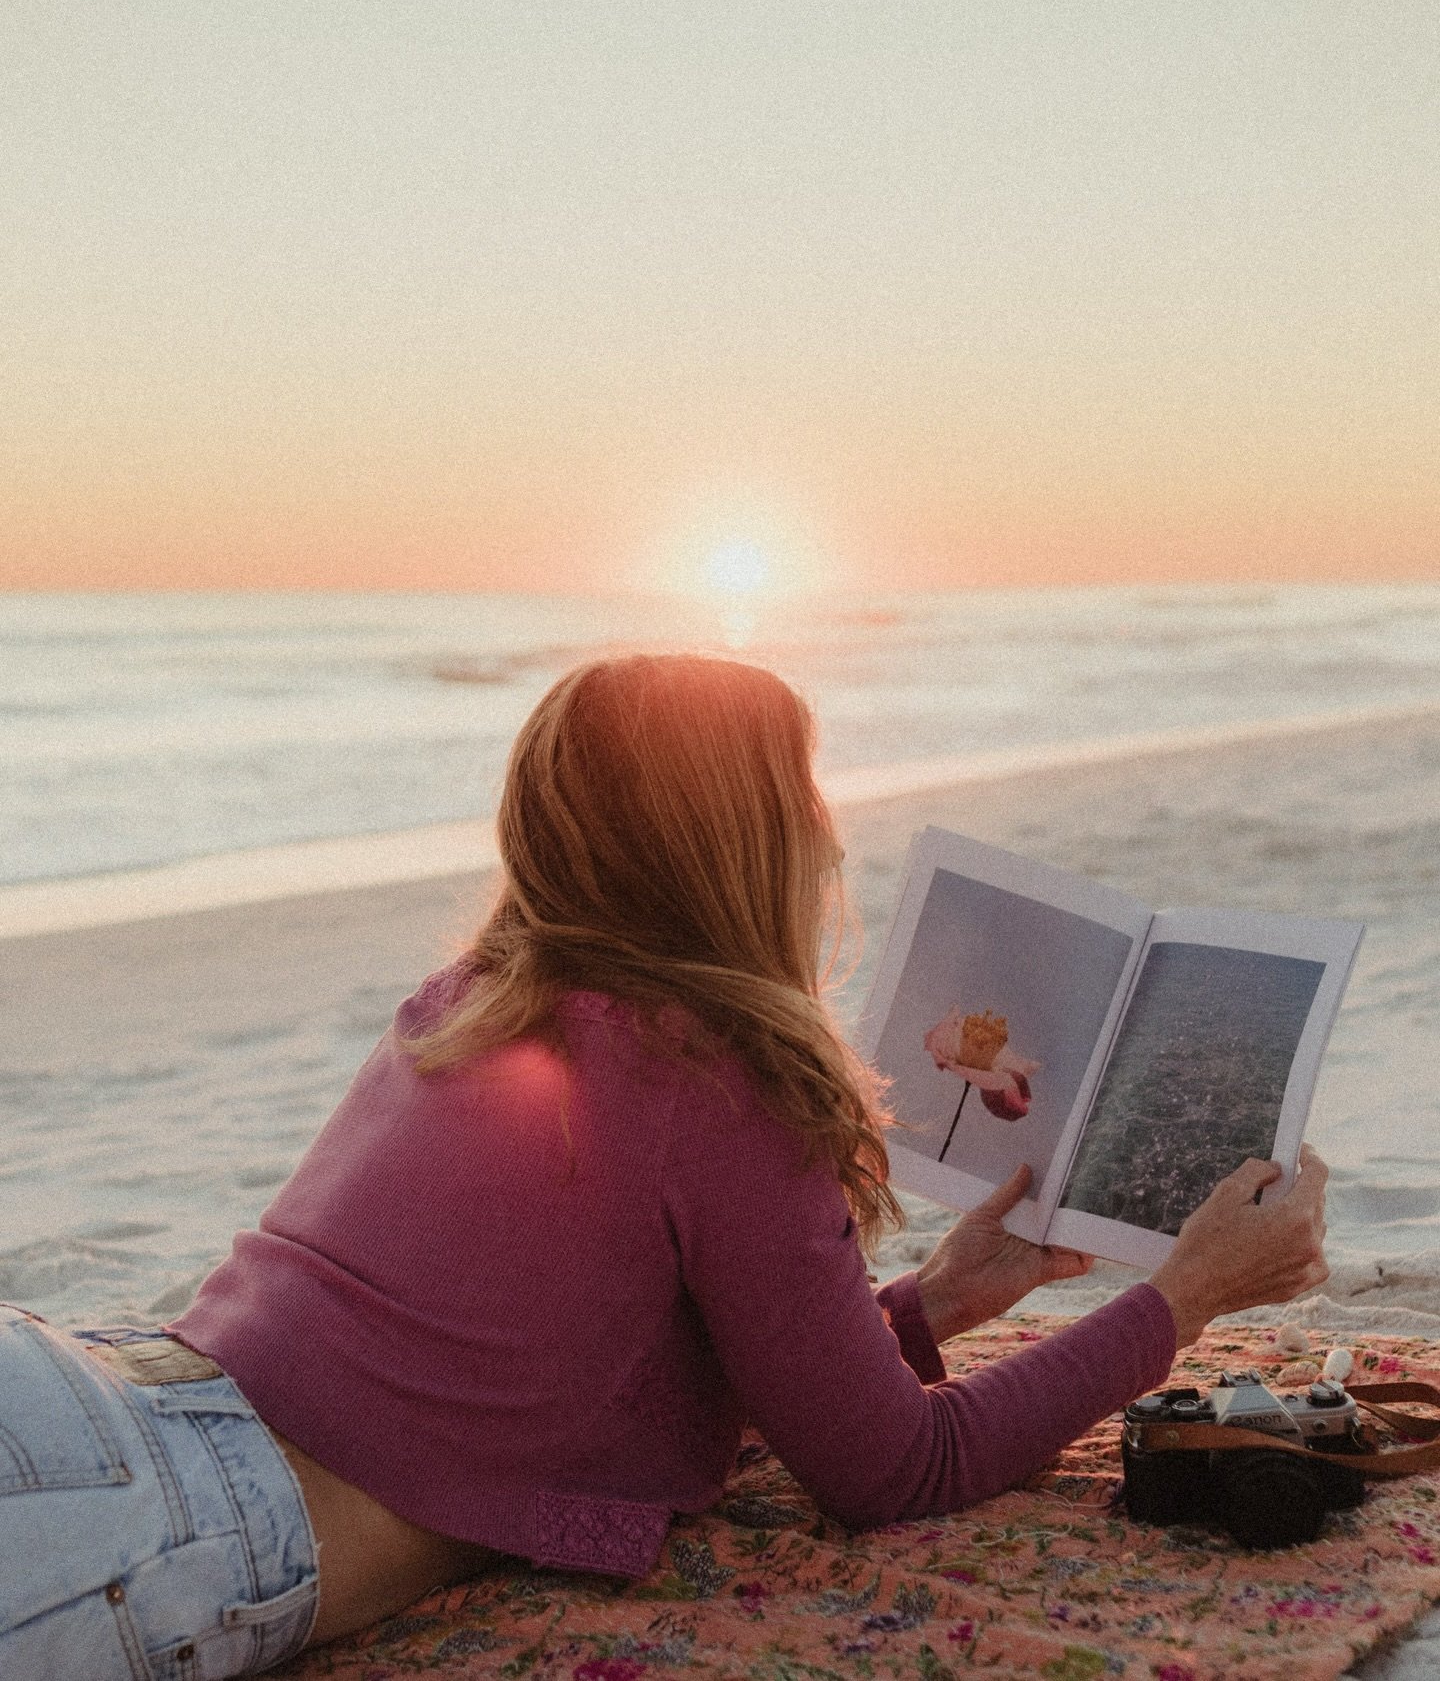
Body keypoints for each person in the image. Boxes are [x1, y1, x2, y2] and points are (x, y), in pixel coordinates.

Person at [0, 653, 1330, 1680]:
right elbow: (894, 1475)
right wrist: (1184, 1297)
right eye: (806, 788)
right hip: (149, 1523)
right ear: (741, 835)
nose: (830, 825)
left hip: (106, 1402)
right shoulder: (718, 1071)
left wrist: (934, 1307)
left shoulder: (478, 1000)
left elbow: (598, 1350)